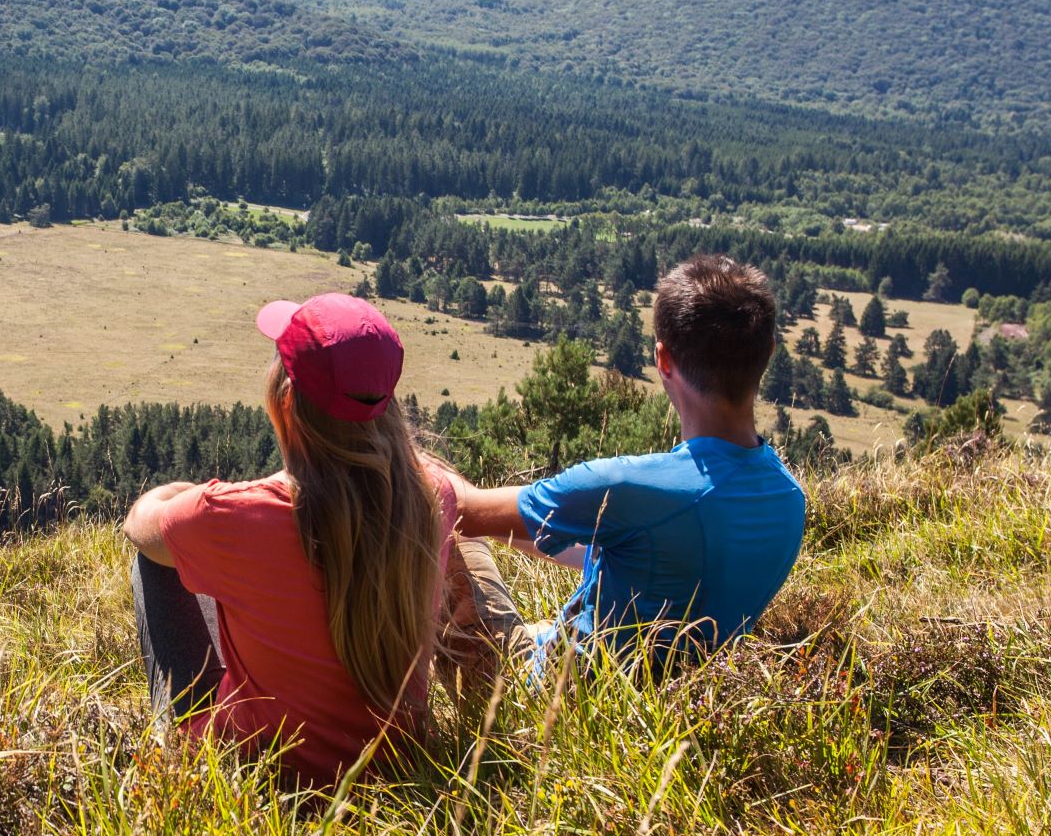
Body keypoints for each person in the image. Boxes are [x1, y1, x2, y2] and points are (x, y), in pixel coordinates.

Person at [121, 294, 523, 785]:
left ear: (286, 400)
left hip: (257, 774)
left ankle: (173, 740)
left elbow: (140, 523)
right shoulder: (431, 498)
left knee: (156, 564)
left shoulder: (233, 515)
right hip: (396, 772)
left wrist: (190, 495)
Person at [444, 254, 808, 662]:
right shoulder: (789, 498)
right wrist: (521, 524)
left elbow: (459, 507)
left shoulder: (628, 488)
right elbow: (646, 554)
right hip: (680, 696)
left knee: (443, 506)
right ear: (770, 351)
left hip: (555, 697)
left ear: (663, 359)